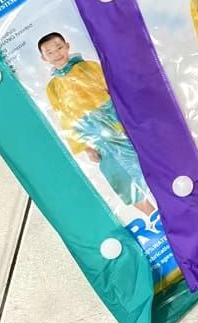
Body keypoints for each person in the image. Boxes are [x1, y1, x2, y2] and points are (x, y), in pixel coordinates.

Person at [39, 32, 155, 217]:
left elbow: (115, 91)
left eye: (59, 47)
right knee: (120, 180)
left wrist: (128, 119)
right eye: (49, 52)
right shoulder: (52, 87)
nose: (56, 54)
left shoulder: (89, 67)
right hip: (95, 139)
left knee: (145, 165)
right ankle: (154, 217)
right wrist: (86, 146)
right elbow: (65, 120)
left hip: (116, 126)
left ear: (67, 46)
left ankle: (171, 206)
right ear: (44, 58)